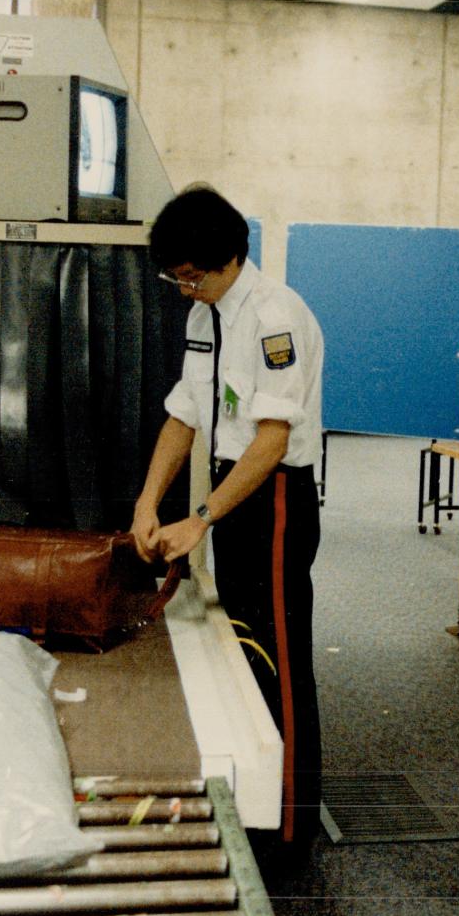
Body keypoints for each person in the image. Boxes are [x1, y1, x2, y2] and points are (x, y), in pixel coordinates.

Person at [132, 185, 325, 858]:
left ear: (230, 258)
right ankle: (256, 807)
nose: (184, 289)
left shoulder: (274, 317)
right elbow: (185, 412)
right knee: (242, 648)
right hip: (231, 492)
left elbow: (270, 440)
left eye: (192, 277)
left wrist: (200, 519)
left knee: (279, 659)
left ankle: (293, 827)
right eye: (175, 278)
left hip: (273, 499)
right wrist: (148, 502)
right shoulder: (204, 312)